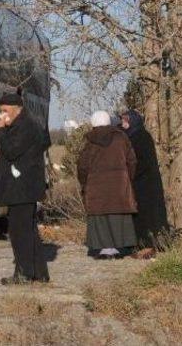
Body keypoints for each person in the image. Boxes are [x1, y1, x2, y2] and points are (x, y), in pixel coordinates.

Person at [0, 93, 50, 284]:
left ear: (17, 108)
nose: (2, 115)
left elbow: (11, 151)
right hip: (24, 186)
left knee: (19, 232)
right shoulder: (26, 124)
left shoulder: (25, 126)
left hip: (22, 187)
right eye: (1, 111)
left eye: (5, 110)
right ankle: (39, 273)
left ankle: (24, 274)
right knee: (29, 231)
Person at [77, 110, 138, 259]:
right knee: (118, 215)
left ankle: (102, 248)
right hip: (119, 185)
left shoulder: (90, 142)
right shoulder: (121, 138)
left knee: (100, 216)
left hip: (96, 186)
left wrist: (84, 183)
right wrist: (127, 177)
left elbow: (82, 166)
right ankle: (121, 248)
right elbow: (132, 161)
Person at [120, 109, 169, 257]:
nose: (123, 124)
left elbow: (141, 161)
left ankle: (147, 246)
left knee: (146, 216)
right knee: (140, 216)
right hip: (139, 182)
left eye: (125, 121)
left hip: (145, 184)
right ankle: (141, 245)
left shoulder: (141, 137)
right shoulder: (133, 136)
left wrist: (130, 172)